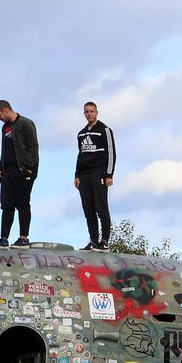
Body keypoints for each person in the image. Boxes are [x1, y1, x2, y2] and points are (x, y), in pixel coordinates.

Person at [0, 99, 39, 248]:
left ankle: (23, 238)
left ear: (5, 110)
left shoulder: (26, 123)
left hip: (24, 170)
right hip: (8, 171)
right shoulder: (5, 128)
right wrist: (1, 167)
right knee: (6, 205)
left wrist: (29, 168)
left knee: (23, 203)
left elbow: (33, 147)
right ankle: (3, 238)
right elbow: (4, 149)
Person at [73, 100, 116, 250]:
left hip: (99, 173)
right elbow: (80, 155)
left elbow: (111, 152)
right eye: (86, 111)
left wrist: (109, 174)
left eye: (91, 111)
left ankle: (104, 240)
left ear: (96, 112)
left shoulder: (105, 130)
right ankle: (93, 241)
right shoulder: (81, 133)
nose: (89, 114)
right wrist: (77, 175)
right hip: (84, 175)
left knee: (101, 207)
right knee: (88, 209)